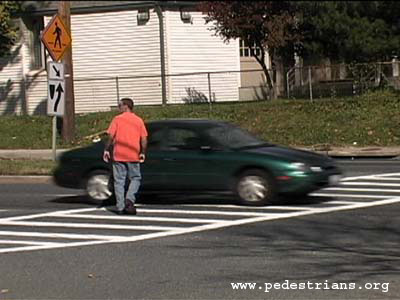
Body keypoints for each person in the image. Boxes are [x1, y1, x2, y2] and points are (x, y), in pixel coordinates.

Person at [103, 98, 148, 215]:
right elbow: (144, 138)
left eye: (120, 105)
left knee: (119, 181)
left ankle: (120, 207)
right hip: (133, 154)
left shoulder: (117, 119)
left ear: (126, 106)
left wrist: (106, 150)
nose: (119, 108)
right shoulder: (138, 121)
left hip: (119, 155)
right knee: (135, 178)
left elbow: (111, 137)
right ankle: (129, 198)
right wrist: (142, 152)